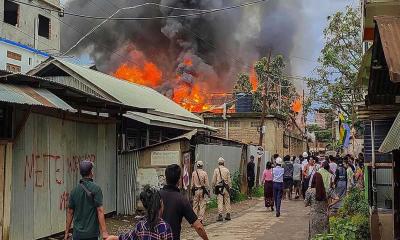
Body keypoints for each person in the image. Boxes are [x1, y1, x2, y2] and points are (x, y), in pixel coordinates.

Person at [160, 164, 208, 240]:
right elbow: (198, 227)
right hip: (173, 237)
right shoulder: (181, 199)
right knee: (201, 205)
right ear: (179, 179)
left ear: (165, 178)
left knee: (195, 205)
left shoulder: (156, 196)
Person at [107, 186, 173, 240]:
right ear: (161, 203)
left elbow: (128, 238)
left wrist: (114, 237)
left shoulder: (141, 225)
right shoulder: (165, 228)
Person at [65, 160, 109, 240]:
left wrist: (66, 232)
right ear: (91, 172)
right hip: (91, 234)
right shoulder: (96, 189)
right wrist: (104, 231)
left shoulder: (74, 191)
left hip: (77, 234)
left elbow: (70, 212)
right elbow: (100, 210)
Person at [304, 172, 329, 239]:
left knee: (313, 236)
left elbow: (305, 204)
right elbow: (336, 198)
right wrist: (329, 205)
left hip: (314, 217)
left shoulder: (309, 191)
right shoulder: (325, 190)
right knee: (324, 236)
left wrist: (311, 203)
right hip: (324, 216)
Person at [212, 157, 232, 221]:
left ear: (218, 163)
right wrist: (230, 187)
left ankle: (220, 215)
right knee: (227, 201)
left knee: (220, 202)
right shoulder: (227, 170)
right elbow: (229, 181)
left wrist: (213, 187)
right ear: (224, 163)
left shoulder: (216, 170)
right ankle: (228, 214)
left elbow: (213, 180)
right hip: (226, 188)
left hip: (219, 188)